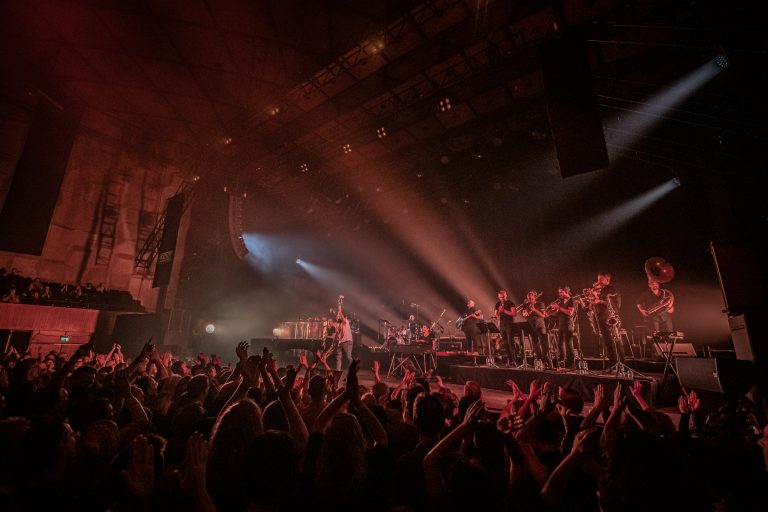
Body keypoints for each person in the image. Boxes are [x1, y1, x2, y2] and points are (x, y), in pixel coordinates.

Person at [590, 272, 624, 365]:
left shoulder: (613, 289)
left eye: (601, 279)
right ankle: (613, 364)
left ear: (607, 280)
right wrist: (594, 296)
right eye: (598, 279)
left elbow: (617, 305)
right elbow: (596, 302)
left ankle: (621, 364)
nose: (598, 282)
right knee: (608, 343)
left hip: (611, 317)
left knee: (615, 341)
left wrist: (600, 301)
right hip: (601, 317)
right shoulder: (601, 290)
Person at [549, 286, 578, 368]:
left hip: (568, 324)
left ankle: (571, 364)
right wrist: (549, 312)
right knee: (559, 344)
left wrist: (558, 307)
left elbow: (570, 313)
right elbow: (558, 313)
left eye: (561, 292)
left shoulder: (571, 300)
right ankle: (562, 362)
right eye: (559, 292)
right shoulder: (561, 301)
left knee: (569, 344)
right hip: (561, 324)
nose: (559, 294)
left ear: (567, 292)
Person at [520, 290, 550, 367]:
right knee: (535, 344)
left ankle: (545, 360)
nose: (530, 300)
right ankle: (539, 359)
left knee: (543, 343)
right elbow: (525, 314)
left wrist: (534, 310)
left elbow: (543, 316)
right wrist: (525, 313)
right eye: (529, 298)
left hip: (540, 325)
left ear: (534, 297)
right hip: (531, 326)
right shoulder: (526, 305)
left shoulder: (540, 304)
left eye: (531, 298)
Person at [493, 290, 519, 366]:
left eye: (503, 297)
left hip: (509, 325)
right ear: (498, 297)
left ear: (506, 295)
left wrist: (504, 310)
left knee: (510, 342)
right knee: (505, 343)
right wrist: (496, 314)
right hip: (502, 325)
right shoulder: (497, 304)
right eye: (500, 297)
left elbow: (514, 313)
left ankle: (514, 360)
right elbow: (496, 315)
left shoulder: (510, 303)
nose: (502, 298)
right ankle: (509, 360)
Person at [334, 305, 354, 371]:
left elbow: (343, 319)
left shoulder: (345, 321)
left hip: (347, 341)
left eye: (339, 315)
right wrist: (334, 342)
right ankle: (338, 371)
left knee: (348, 356)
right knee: (338, 357)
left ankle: (353, 368)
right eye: (337, 315)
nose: (337, 316)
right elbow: (337, 334)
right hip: (341, 342)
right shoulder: (338, 325)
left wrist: (340, 311)